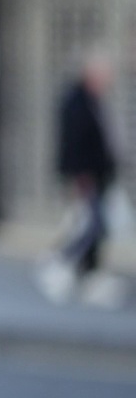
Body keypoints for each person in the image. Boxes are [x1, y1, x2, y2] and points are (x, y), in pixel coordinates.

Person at [38, 47, 125, 308]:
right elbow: (74, 144)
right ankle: (58, 265)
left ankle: (88, 274)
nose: (109, 78)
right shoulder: (76, 102)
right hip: (85, 176)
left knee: (93, 226)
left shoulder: (92, 100)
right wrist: (80, 176)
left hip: (98, 176)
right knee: (88, 226)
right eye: (105, 73)